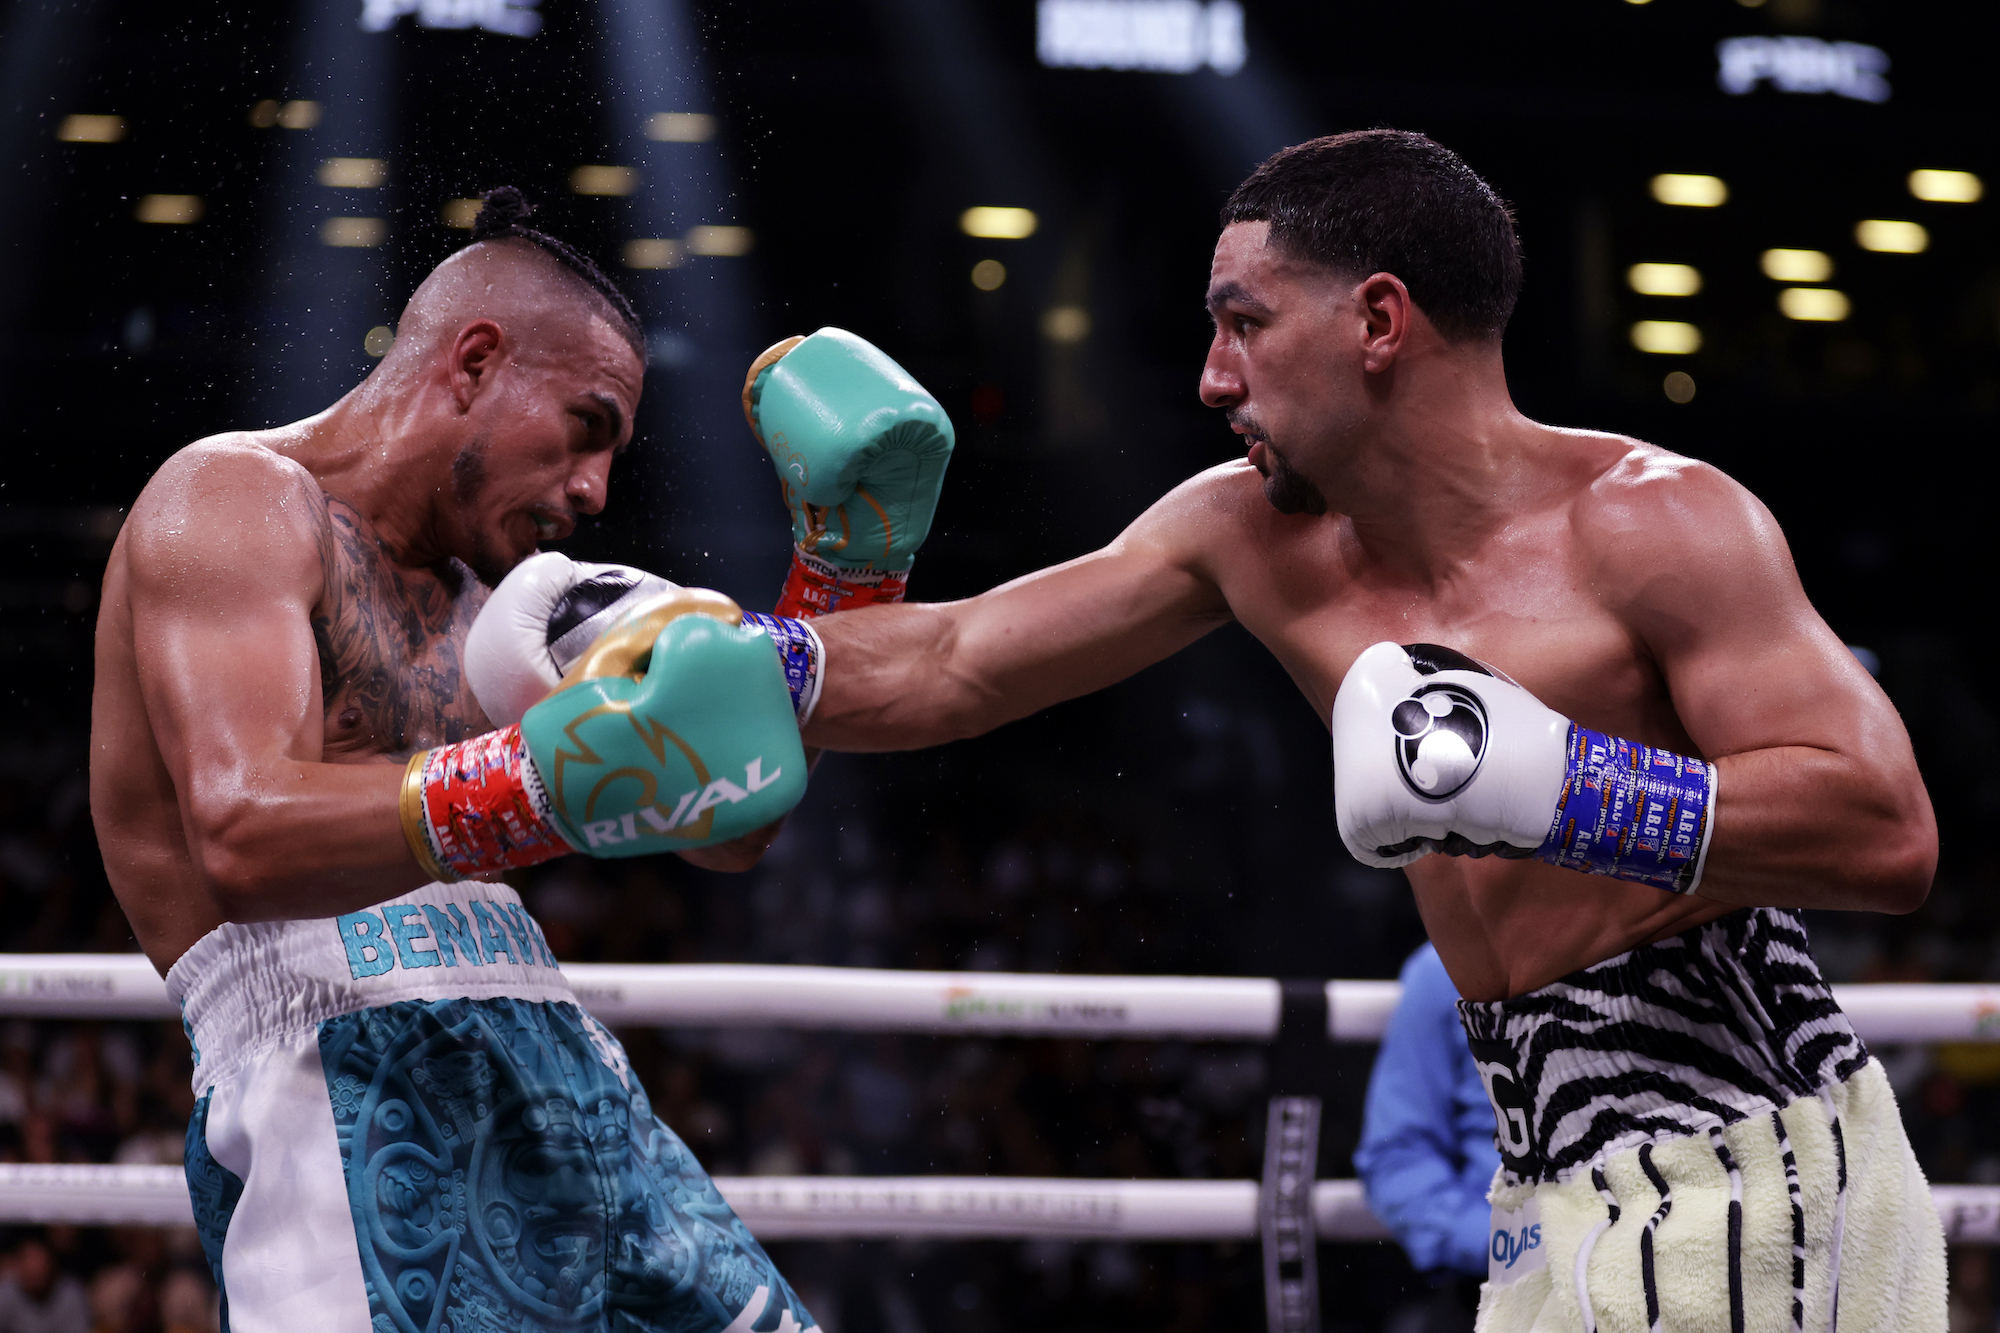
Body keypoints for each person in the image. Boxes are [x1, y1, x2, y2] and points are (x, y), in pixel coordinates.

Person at [778, 131, 1946, 1329]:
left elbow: (1883, 829)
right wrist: (692, 649)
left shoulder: (1654, 523)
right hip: (1542, 1175)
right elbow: (953, 664)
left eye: (1244, 323)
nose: (1212, 378)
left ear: (1377, 321)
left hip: (1750, 1155)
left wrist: (1557, 785)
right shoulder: (1243, 533)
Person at [88, 189, 950, 1333]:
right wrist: (538, 785)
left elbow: (735, 820)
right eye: (586, 426)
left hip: (564, 1076)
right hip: (344, 1085)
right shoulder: (236, 500)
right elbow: (243, 834)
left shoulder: (503, 606)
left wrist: (836, 589)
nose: (593, 491)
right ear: (475, 361)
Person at [1355, 942, 1496, 1320]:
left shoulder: (1666, 950)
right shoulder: (1449, 963)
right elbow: (1397, 1154)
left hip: (1654, 1261)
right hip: (1492, 1283)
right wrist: (1501, 1245)